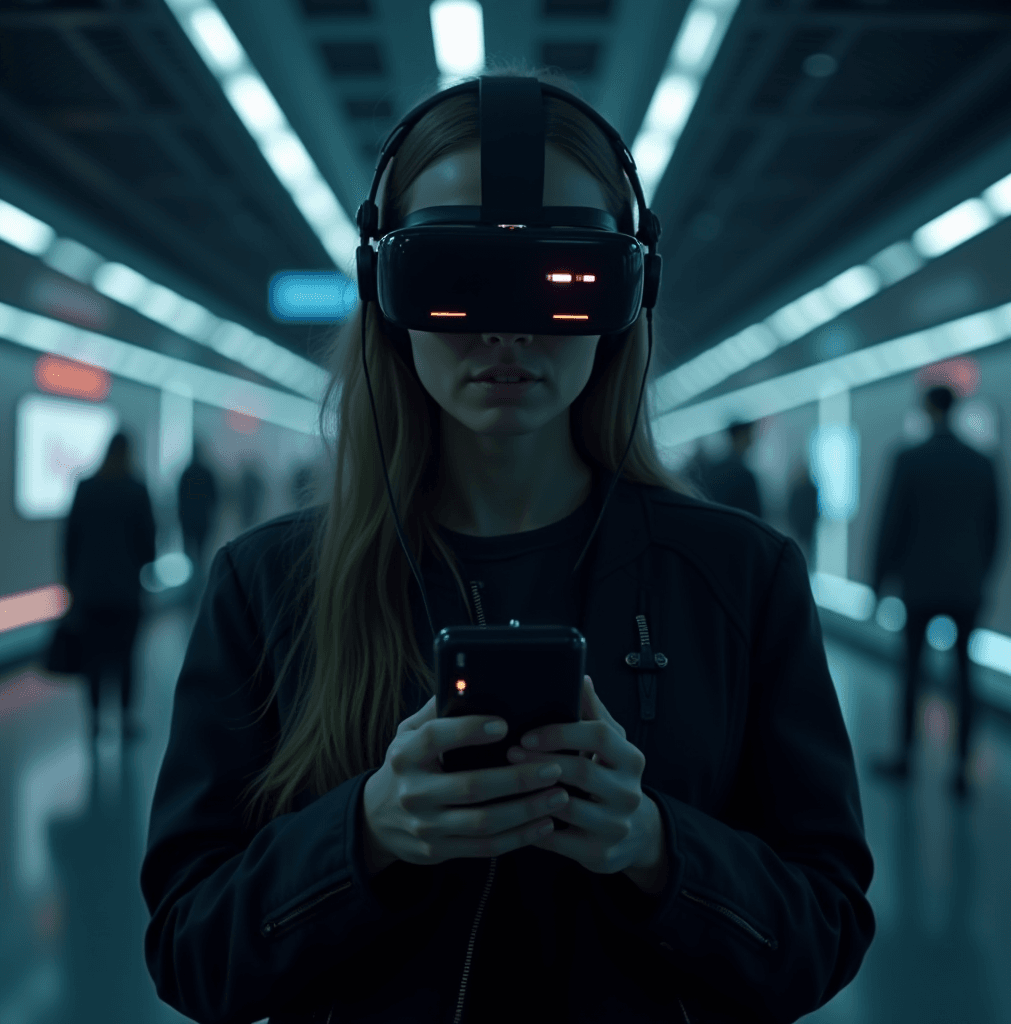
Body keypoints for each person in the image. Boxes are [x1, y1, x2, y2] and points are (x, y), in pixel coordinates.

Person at [141, 68, 874, 1024]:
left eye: (565, 279)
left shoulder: (741, 578)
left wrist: (654, 848)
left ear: (629, 292)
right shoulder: (270, 586)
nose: (507, 328)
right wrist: (363, 835)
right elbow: (189, 952)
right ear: (386, 293)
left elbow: (823, 930)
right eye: (454, 279)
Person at [870, 385, 1002, 799]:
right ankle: (962, 768)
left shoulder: (909, 459)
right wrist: (982, 573)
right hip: (965, 585)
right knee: (965, 675)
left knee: (912, 670)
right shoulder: (982, 462)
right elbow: (997, 525)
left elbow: (891, 523)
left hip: (919, 584)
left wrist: (878, 582)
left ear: (927, 409)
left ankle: (906, 758)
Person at [64, 431, 155, 741]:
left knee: (93, 659)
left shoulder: (86, 488)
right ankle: (126, 721)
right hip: (126, 593)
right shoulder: (137, 490)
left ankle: (94, 723)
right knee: (126, 658)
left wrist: (73, 585)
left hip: (90, 592)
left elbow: (70, 542)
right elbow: (148, 548)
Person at [701, 420, 763, 518]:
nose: (751, 441)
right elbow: (756, 514)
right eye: (748, 435)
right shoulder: (743, 475)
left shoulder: (715, 471)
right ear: (740, 436)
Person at [177, 444, 218, 585]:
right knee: (202, 552)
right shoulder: (206, 473)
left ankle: (191, 580)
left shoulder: (186, 473)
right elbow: (214, 497)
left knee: (189, 552)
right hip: (202, 518)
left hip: (188, 519)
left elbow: (180, 498)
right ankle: (199, 579)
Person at [787, 459, 819, 570]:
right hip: (801, 526)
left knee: (809, 552)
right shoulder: (798, 489)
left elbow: (815, 508)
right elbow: (792, 509)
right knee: (799, 551)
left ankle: (808, 570)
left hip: (808, 526)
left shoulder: (811, 489)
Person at [237, 461, 266, 531]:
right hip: (247, 506)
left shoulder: (248, 481)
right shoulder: (250, 481)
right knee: (248, 521)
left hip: (250, 505)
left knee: (249, 521)